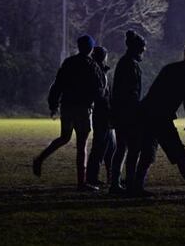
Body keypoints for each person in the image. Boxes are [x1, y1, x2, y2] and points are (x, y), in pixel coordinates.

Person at [132, 44, 185, 202]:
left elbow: (156, 91)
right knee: (180, 154)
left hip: (148, 113)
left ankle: (136, 186)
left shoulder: (171, 68)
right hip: (160, 117)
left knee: (147, 152)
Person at [33, 35, 104, 191]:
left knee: (64, 137)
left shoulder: (69, 62)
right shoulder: (91, 65)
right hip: (83, 108)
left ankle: (40, 158)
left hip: (67, 106)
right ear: (91, 48)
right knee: (82, 145)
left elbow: (57, 84)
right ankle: (81, 182)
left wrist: (53, 104)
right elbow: (99, 89)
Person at [109, 30, 146, 194]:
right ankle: (129, 183)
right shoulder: (129, 65)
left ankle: (116, 184)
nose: (144, 52)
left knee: (122, 148)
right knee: (132, 148)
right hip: (128, 113)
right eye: (143, 49)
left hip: (121, 112)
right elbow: (129, 92)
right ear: (136, 48)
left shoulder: (125, 63)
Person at [85, 46, 116, 187]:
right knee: (100, 146)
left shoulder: (101, 70)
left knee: (109, 146)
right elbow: (101, 93)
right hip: (102, 113)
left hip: (105, 112)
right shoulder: (97, 71)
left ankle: (111, 177)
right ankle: (92, 177)